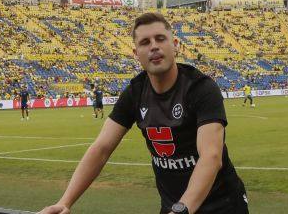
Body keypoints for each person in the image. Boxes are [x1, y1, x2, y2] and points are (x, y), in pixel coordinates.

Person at [39, 12, 248, 214]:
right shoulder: (135, 92)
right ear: (136, 54)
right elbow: (101, 148)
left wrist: (182, 209)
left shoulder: (201, 88)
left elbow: (211, 157)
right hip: (173, 207)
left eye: (160, 38)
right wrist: (64, 203)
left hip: (222, 205)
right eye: (145, 42)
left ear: (175, 45)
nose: (154, 46)